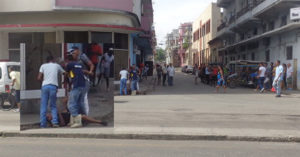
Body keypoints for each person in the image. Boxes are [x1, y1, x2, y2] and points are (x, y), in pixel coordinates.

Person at [37, 56, 65, 128]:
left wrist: (44, 82)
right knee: (53, 105)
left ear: (47, 61)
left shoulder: (43, 66)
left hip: (45, 86)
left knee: (43, 106)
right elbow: (65, 73)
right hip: (53, 87)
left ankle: (43, 124)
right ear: (53, 60)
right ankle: (55, 122)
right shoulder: (56, 65)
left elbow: (39, 78)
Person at [71, 46, 94, 116]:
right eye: (73, 53)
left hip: (85, 79)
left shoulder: (82, 56)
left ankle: (85, 115)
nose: (74, 54)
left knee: (83, 99)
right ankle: (79, 116)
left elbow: (91, 65)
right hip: (76, 81)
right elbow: (71, 72)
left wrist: (90, 71)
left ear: (78, 51)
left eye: (75, 52)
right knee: (77, 99)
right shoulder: (71, 59)